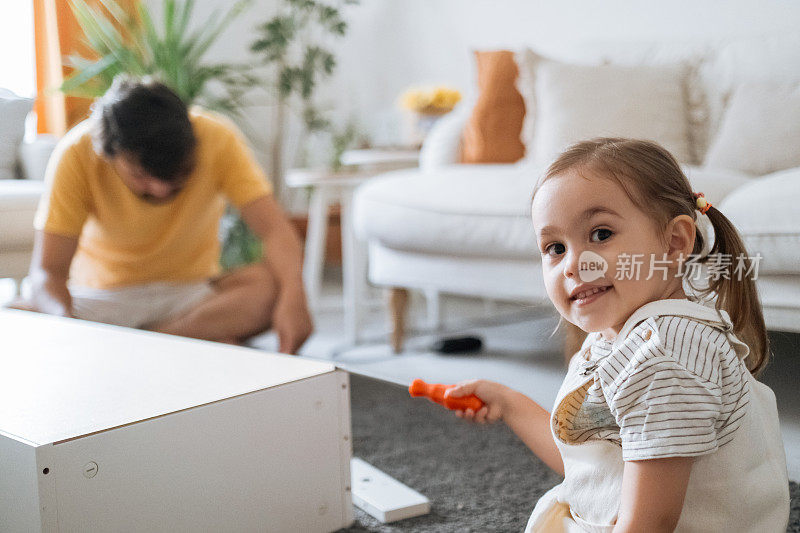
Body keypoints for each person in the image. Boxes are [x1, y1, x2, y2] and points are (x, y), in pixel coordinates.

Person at [445, 138, 790, 532]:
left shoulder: (665, 355)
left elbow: (651, 523)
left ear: (675, 242)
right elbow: (593, 467)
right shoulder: (619, 339)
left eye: (601, 234)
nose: (574, 264)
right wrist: (508, 402)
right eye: (555, 247)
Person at [16, 76, 312, 353]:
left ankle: (143, 346)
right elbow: (47, 272)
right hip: (102, 300)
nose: (160, 189)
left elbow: (275, 230)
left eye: (179, 173)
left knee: (269, 287)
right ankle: (179, 345)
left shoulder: (216, 136)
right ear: (110, 155)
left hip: (189, 296)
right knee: (16, 317)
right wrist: (66, 323)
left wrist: (294, 295)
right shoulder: (76, 153)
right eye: (142, 176)